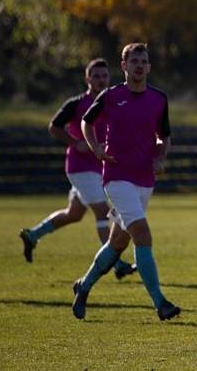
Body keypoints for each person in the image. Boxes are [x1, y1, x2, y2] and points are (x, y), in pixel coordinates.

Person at [71, 43, 180, 321]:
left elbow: (163, 136)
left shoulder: (159, 99)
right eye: (134, 61)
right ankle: (160, 303)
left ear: (149, 67)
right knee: (142, 235)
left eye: (144, 61)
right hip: (117, 177)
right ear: (124, 66)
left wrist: (161, 156)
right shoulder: (110, 96)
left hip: (145, 179)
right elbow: (87, 122)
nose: (139, 65)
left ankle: (83, 287)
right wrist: (95, 147)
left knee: (117, 242)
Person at [19, 59, 136, 280]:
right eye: (96, 76)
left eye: (104, 76)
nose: (101, 80)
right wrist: (75, 142)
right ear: (87, 79)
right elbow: (54, 126)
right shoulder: (76, 104)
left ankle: (32, 235)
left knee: (73, 214)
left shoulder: (112, 102)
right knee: (103, 211)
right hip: (80, 168)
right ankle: (116, 263)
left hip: (100, 167)